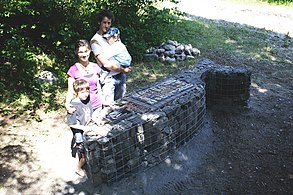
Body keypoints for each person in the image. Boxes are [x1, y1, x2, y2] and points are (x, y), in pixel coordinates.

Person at [90, 10, 130, 104]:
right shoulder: (95, 40)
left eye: (109, 23)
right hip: (108, 79)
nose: (107, 25)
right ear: (99, 22)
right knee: (109, 107)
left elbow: (120, 50)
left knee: (120, 104)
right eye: (104, 22)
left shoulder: (113, 35)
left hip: (120, 76)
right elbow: (106, 63)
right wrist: (123, 70)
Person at [65, 39, 103, 114]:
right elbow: (70, 90)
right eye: (81, 52)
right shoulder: (73, 70)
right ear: (76, 53)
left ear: (90, 51)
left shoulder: (95, 67)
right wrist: (67, 104)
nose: (84, 55)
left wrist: (103, 101)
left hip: (97, 106)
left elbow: (98, 87)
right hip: (83, 107)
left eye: (86, 51)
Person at [67, 79, 93, 177]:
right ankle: (78, 168)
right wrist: (83, 128)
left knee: (91, 149)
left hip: (86, 127)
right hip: (79, 132)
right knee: (84, 154)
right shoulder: (73, 106)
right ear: (76, 92)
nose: (85, 94)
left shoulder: (87, 100)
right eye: (82, 92)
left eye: (87, 91)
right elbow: (71, 124)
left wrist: (96, 120)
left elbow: (90, 114)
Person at [100, 27, 132, 105]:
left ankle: (102, 77)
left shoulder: (115, 47)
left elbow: (105, 57)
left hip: (121, 64)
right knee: (120, 100)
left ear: (115, 37)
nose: (107, 40)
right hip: (125, 64)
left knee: (108, 64)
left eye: (109, 38)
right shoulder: (121, 45)